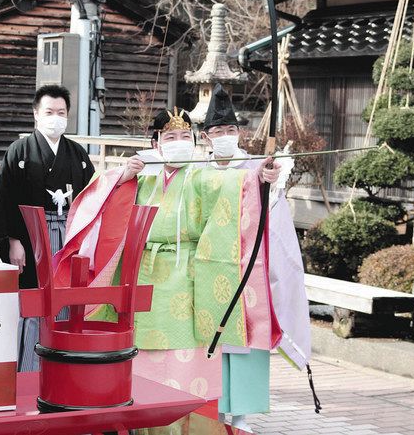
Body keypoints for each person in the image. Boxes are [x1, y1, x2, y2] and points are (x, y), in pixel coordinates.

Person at [59, 107, 281, 405]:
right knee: (141, 350)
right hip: (142, 275)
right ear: (156, 144)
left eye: (185, 136)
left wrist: (260, 176)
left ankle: (183, 412)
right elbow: (103, 202)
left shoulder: (202, 178)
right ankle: (141, 413)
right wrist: (123, 175)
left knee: (184, 354)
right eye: (171, 136)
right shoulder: (144, 183)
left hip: (185, 278)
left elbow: (236, 183)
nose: (179, 142)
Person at [201, 84, 311, 432]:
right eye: (217, 131)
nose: (224, 136)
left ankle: (243, 414)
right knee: (212, 339)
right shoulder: (197, 169)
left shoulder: (254, 164)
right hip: (208, 266)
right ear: (206, 137)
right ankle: (213, 409)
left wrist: (269, 178)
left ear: (240, 133)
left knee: (248, 340)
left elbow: (267, 198)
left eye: (231, 130)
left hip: (248, 264)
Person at [0, 84, 95, 372]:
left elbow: (92, 197)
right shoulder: (19, 151)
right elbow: (4, 199)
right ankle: (28, 368)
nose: (55, 117)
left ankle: (62, 367)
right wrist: (12, 240)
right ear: (36, 114)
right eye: (49, 112)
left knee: (64, 298)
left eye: (61, 112)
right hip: (30, 236)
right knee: (33, 300)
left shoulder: (78, 154)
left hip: (68, 235)